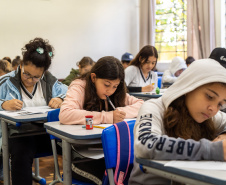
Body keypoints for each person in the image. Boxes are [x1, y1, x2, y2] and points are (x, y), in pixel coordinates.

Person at [129, 58, 226, 185]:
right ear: (189, 86)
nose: (213, 109)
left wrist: (224, 134)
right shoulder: (153, 107)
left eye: (220, 104)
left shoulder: (209, 116)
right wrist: (212, 150)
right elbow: (146, 144)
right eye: (209, 97)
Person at [59, 56, 144, 184]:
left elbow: (141, 105)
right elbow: (65, 114)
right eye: (106, 85)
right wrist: (108, 117)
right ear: (93, 78)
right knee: (112, 180)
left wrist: (119, 114)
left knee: (133, 174)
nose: (110, 91)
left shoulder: (116, 92)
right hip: (82, 158)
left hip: (110, 153)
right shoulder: (79, 87)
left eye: (115, 86)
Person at [0, 37, 68, 185]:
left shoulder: (49, 81)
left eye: (36, 77)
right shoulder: (6, 82)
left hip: (46, 133)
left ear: (43, 73)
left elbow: (70, 94)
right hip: (18, 134)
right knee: (21, 153)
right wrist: (3, 104)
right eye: (26, 74)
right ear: (22, 65)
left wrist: (61, 99)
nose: (30, 80)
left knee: (72, 144)